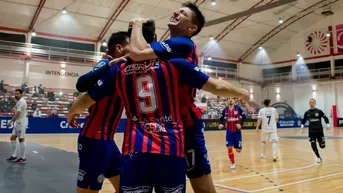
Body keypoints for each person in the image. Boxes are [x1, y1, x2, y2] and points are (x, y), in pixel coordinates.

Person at [68, 19, 249, 193]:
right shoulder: (175, 63)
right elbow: (217, 86)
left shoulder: (117, 70)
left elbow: (86, 99)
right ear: (155, 39)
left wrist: (72, 112)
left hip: (135, 149)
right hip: (170, 148)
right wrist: (240, 91)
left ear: (132, 41)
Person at [129, 2, 216, 192]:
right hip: (167, 125)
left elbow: (136, 53)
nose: (176, 12)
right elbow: (138, 54)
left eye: (183, 13)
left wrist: (136, 24)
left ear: (192, 28)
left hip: (186, 123)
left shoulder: (182, 43)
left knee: (200, 179)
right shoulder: (167, 47)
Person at [70, 31, 130, 193]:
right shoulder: (110, 66)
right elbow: (84, 90)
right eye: (131, 44)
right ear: (119, 48)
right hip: (94, 140)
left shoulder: (121, 67)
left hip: (107, 141)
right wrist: (72, 111)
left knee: (124, 186)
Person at [218, 97, 246, 169]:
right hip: (229, 132)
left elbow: (244, 117)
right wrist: (220, 124)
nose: (230, 100)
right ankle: (233, 163)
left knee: (238, 150)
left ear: (234, 100)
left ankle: (237, 148)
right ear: (227, 101)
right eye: (229, 99)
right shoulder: (225, 110)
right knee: (229, 148)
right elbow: (221, 119)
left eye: (232, 99)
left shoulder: (238, 109)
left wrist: (241, 124)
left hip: (237, 133)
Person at [300, 98, 330, 163]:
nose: (311, 103)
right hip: (311, 132)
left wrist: (327, 124)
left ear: (315, 103)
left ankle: (321, 142)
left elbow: (325, 117)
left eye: (313, 102)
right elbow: (303, 120)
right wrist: (302, 125)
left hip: (319, 131)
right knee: (313, 144)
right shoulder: (307, 113)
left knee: (322, 146)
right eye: (310, 102)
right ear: (309, 104)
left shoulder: (319, 111)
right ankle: (318, 157)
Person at [6, 89, 28, 164]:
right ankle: (14, 155)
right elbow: (16, 110)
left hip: (21, 122)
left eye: (17, 93)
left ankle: (23, 158)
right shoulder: (19, 102)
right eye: (15, 94)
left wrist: (11, 121)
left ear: (22, 94)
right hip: (18, 122)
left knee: (21, 139)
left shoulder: (22, 101)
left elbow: (18, 113)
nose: (16, 95)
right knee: (12, 138)